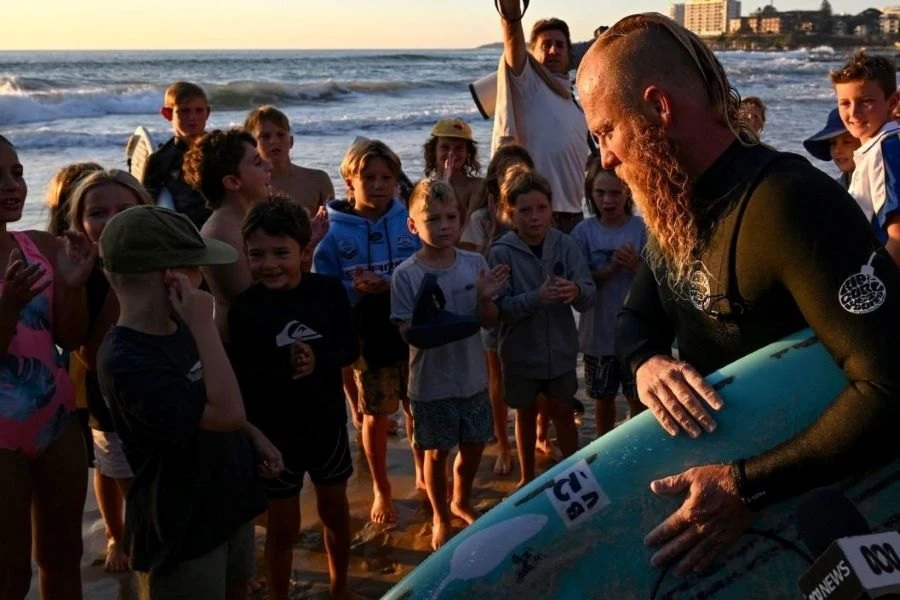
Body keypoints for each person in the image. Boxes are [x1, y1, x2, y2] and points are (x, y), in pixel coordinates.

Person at [576, 13, 900, 576]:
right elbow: (635, 321)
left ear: (659, 108)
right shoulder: (676, 209)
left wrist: (746, 485)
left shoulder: (791, 204)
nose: (604, 156)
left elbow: (892, 384)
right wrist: (647, 363)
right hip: (732, 521)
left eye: (606, 131)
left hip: (824, 514)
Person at [96, 205, 282, 599]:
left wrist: (252, 435)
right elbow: (227, 412)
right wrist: (204, 324)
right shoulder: (126, 360)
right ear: (172, 278)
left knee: (238, 588)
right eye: (198, 268)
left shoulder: (177, 325)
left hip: (227, 501)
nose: (204, 279)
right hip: (182, 529)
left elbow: (216, 403)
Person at [229, 200, 360, 600]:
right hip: (276, 436)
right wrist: (281, 362)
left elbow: (350, 350)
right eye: (258, 254)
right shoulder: (245, 308)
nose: (270, 264)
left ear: (305, 252)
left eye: (281, 253)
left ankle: (340, 589)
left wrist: (318, 358)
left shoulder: (328, 292)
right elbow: (242, 376)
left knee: (335, 515)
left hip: (326, 427)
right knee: (282, 529)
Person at [0, 135, 96, 600]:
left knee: (63, 557)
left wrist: (74, 285)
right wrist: (8, 308)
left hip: (56, 421)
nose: (11, 185)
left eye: (16, 173)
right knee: (9, 573)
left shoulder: (37, 245)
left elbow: (70, 338)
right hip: (0, 436)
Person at [391, 179, 508, 550]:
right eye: (433, 219)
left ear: (460, 219)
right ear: (412, 226)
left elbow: (489, 321)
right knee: (436, 452)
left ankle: (461, 499)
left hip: (472, 378)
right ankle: (440, 515)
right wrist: (434, 321)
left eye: (451, 217)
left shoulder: (475, 263)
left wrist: (486, 299)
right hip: (430, 384)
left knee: (474, 445)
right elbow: (408, 333)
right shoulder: (406, 275)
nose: (444, 226)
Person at [313, 139, 420, 524]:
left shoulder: (409, 220)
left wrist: (390, 281)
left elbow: (424, 266)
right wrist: (353, 288)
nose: (378, 185)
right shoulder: (332, 232)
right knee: (375, 413)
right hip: (366, 336)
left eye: (386, 178)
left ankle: (422, 471)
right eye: (368, 177)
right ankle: (382, 487)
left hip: (409, 330)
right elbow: (323, 286)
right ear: (349, 180)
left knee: (416, 406)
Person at [66, 170, 153, 573]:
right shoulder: (80, 277)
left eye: (124, 210)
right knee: (115, 470)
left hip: (159, 397)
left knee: (156, 483)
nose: (112, 220)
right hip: (108, 402)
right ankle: (119, 535)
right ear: (80, 226)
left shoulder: (165, 266)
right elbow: (85, 350)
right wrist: (111, 276)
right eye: (98, 213)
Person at [487, 165, 595, 489]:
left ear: (551, 208)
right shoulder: (500, 253)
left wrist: (576, 291)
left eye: (541, 208)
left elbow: (589, 293)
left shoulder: (565, 245)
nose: (534, 217)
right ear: (510, 213)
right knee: (524, 414)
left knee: (563, 411)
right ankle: (527, 478)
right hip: (519, 354)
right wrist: (536, 298)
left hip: (561, 351)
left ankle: (576, 472)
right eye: (525, 211)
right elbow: (500, 310)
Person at [459, 144, 538, 476]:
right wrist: (494, 229)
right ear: (495, 179)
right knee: (497, 376)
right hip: (493, 308)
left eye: (518, 170)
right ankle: (504, 444)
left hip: (529, 303)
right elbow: (472, 263)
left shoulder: (531, 210)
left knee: (536, 372)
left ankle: (536, 440)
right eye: (505, 171)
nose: (512, 176)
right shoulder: (481, 217)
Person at [492, 0, 591, 233]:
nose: (553, 51)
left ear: (569, 55)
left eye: (560, 45)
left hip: (574, 215)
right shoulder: (528, 83)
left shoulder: (573, 101)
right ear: (532, 53)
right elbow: (512, 34)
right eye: (546, 45)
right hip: (535, 213)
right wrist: (511, 13)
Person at [570, 161, 646, 437]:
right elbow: (580, 283)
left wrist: (636, 266)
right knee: (602, 399)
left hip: (636, 335)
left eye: (615, 193)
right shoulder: (583, 232)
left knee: (638, 398)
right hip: (597, 335)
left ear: (628, 192)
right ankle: (603, 449)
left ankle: (636, 446)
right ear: (591, 194)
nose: (607, 200)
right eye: (600, 193)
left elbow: (659, 280)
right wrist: (612, 268)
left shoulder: (641, 229)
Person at [182, 128, 272, 340]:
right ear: (233, 182)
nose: (269, 166)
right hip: (242, 346)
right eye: (258, 162)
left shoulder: (249, 220)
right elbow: (253, 304)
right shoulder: (221, 233)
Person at [831, 51, 900, 265]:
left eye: (866, 101)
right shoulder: (877, 147)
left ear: (892, 102)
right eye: (845, 103)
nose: (854, 113)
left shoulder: (886, 149)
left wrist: (875, 285)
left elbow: (897, 235)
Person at [141, 81, 212, 229]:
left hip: (223, 224)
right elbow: (146, 206)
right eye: (184, 111)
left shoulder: (221, 149)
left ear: (208, 112)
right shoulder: (159, 160)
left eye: (199, 110)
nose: (193, 117)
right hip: (184, 231)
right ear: (167, 114)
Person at [243, 105, 335, 214]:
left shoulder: (318, 180)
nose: (274, 141)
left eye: (280, 134)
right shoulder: (249, 188)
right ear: (252, 145)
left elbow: (332, 226)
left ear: (291, 141)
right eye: (265, 136)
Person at [423, 119, 483, 219]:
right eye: (445, 147)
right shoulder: (424, 188)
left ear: (468, 153)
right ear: (433, 151)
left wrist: (448, 186)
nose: (451, 153)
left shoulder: (477, 186)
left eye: (459, 148)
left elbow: (468, 226)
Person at [803, 108, 860, 189]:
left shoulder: (880, 186)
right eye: (833, 143)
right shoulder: (833, 190)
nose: (837, 150)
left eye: (847, 142)